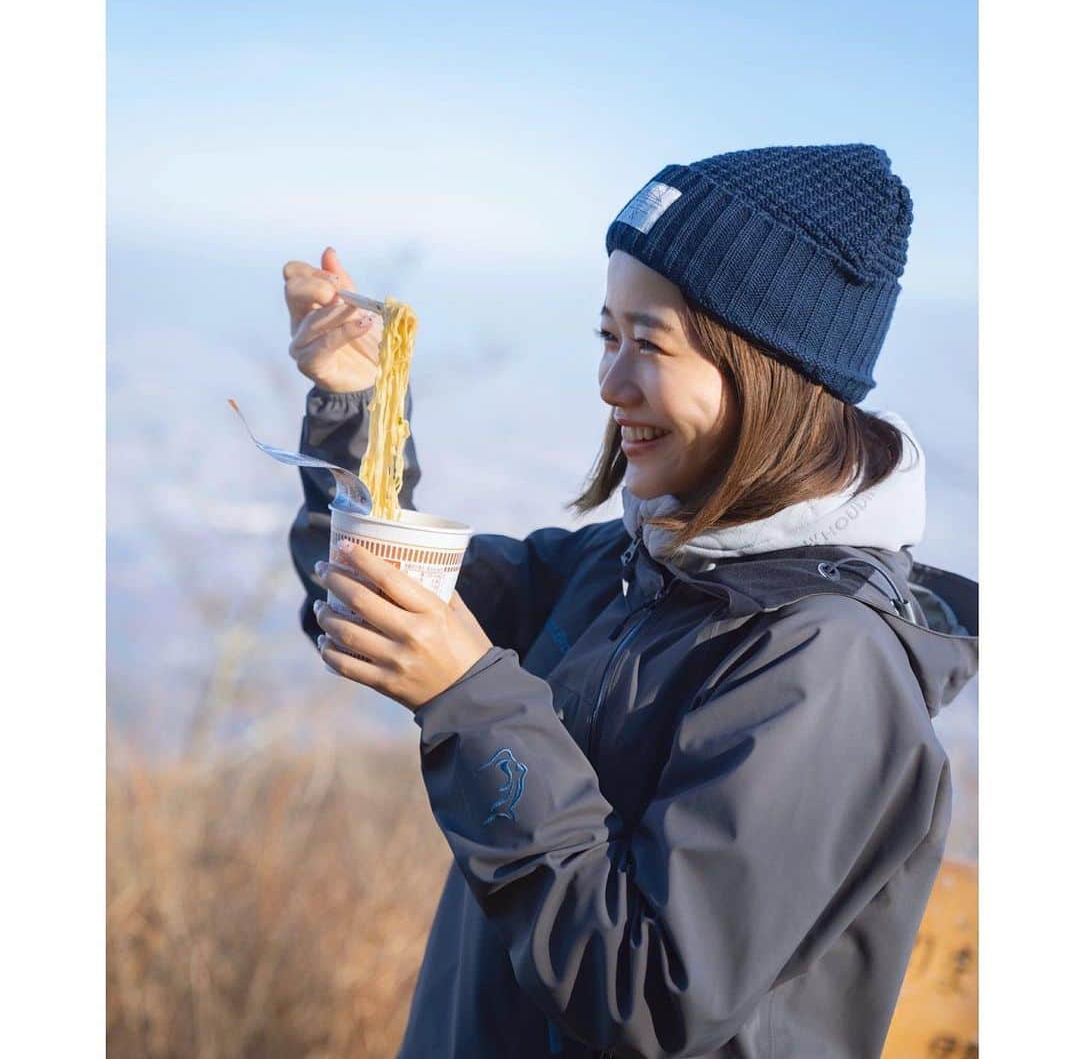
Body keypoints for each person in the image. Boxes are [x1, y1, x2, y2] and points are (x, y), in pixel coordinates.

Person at [283, 143, 979, 1059]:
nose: (610, 386)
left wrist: (471, 700)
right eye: (607, 336)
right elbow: (375, 598)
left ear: (775, 372)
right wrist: (356, 406)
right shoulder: (631, 569)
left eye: (650, 343)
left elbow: (648, 994)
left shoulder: (827, 664)